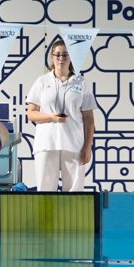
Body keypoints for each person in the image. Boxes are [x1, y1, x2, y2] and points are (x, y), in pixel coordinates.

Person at [26, 36, 97, 191]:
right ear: (52, 57)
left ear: (71, 58)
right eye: (57, 54)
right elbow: (31, 114)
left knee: (74, 194)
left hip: (74, 145)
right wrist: (51, 117)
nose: (61, 58)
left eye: (65, 54)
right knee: (45, 192)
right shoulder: (42, 81)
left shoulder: (80, 82)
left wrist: (88, 146)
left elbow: (89, 119)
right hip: (46, 144)